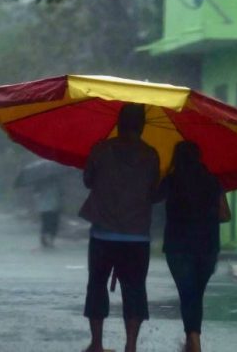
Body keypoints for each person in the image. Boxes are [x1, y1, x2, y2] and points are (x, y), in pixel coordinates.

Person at [79, 103, 160, 352]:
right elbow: (153, 191)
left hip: (102, 233)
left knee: (96, 286)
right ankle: (131, 345)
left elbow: (88, 180)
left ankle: (97, 343)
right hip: (136, 236)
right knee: (134, 290)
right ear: (143, 126)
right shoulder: (151, 155)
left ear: (119, 123)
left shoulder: (100, 149)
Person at [159, 141, 224, 352]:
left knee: (187, 293)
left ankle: (193, 339)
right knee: (196, 293)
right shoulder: (212, 181)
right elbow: (225, 214)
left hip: (178, 246)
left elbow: (150, 197)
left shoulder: (171, 181)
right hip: (207, 246)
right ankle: (192, 338)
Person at [34, 181, 60, 248]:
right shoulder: (56, 184)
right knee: (53, 225)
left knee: (45, 224)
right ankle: (51, 241)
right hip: (53, 208)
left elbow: (36, 196)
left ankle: (45, 239)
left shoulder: (39, 185)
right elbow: (59, 195)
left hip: (44, 208)